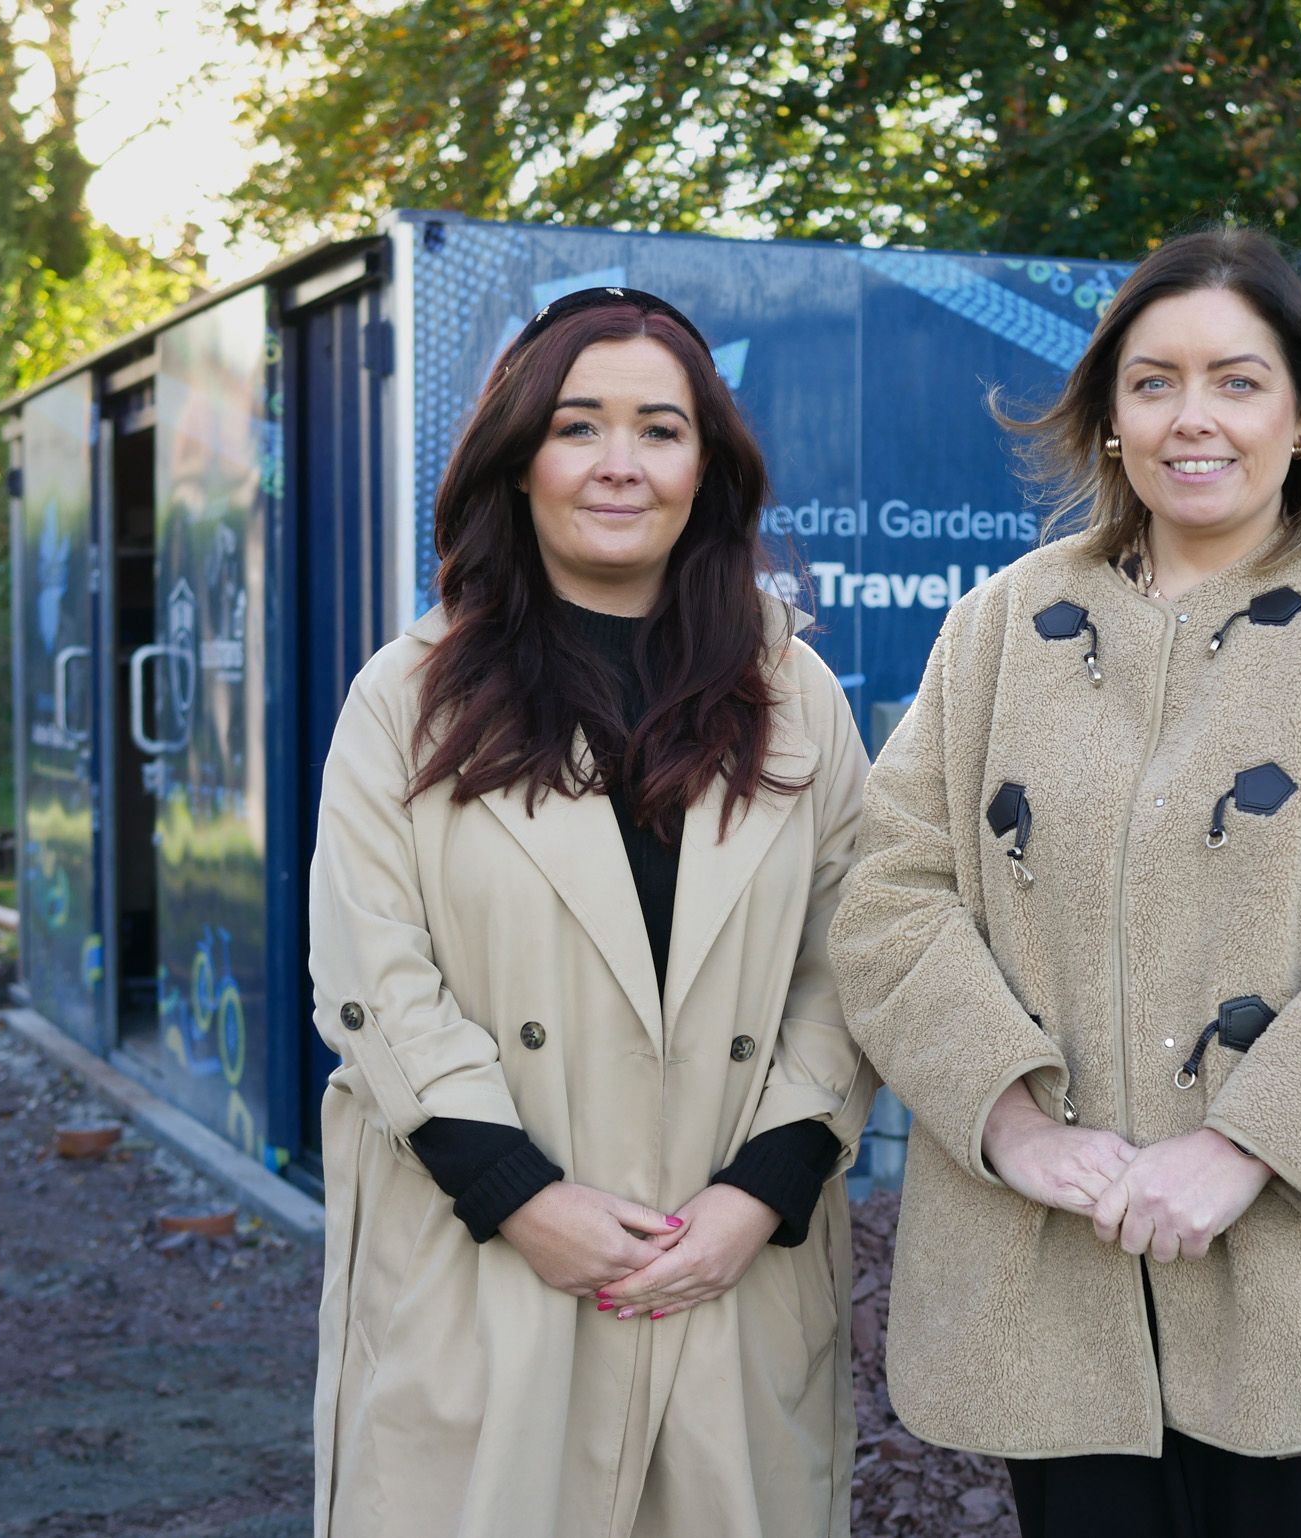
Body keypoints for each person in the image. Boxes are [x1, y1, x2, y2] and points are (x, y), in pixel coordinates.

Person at [828, 227, 1301, 1538]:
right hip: (1059, 1288)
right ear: (1109, 416)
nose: (1191, 416)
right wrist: (1014, 1125)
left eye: (1236, 379)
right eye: (1152, 381)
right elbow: (891, 893)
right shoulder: (1000, 624)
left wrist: (1249, 1143)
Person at [308, 287, 876, 1538]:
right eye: (577, 425)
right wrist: (518, 1193)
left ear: (705, 468)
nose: (620, 463)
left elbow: (852, 960)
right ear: (518, 461)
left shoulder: (795, 696)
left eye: (659, 429)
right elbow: (371, 972)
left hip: (728, 1261)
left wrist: (760, 1191)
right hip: (487, 1258)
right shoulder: (408, 696)